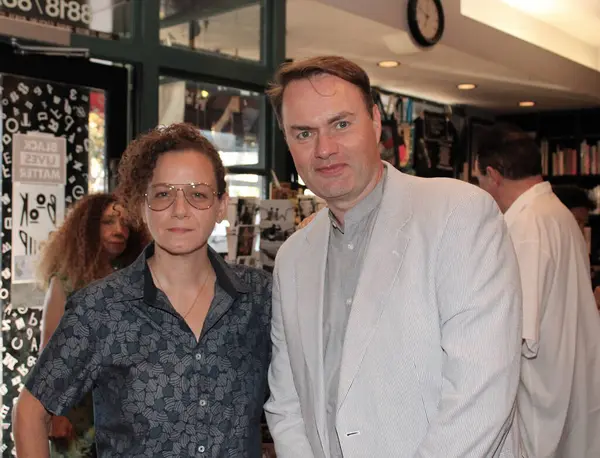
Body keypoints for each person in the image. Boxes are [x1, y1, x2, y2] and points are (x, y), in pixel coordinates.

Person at [264, 55, 522, 458]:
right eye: (303, 133)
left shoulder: (458, 214)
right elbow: (287, 400)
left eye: (341, 124)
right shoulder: (294, 256)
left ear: (376, 122)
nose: (324, 149)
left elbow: (481, 392)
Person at [13, 123, 272, 458]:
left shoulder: (259, 298)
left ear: (222, 205)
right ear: (142, 205)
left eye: (198, 194)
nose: (180, 209)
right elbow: (31, 411)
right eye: (164, 194)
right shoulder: (101, 307)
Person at [476, 125, 600, 457]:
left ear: (493, 175)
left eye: (479, 182)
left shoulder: (526, 225)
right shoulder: (555, 212)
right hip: (565, 388)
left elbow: (515, 330)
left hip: (541, 402)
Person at [35, 193, 147, 457]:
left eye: (125, 223)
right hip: (78, 413)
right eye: (108, 222)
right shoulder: (65, 281)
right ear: (88, 228)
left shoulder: (135, 281)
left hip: (124, 413)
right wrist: (55, 413)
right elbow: (49, 350)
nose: (119, 230)